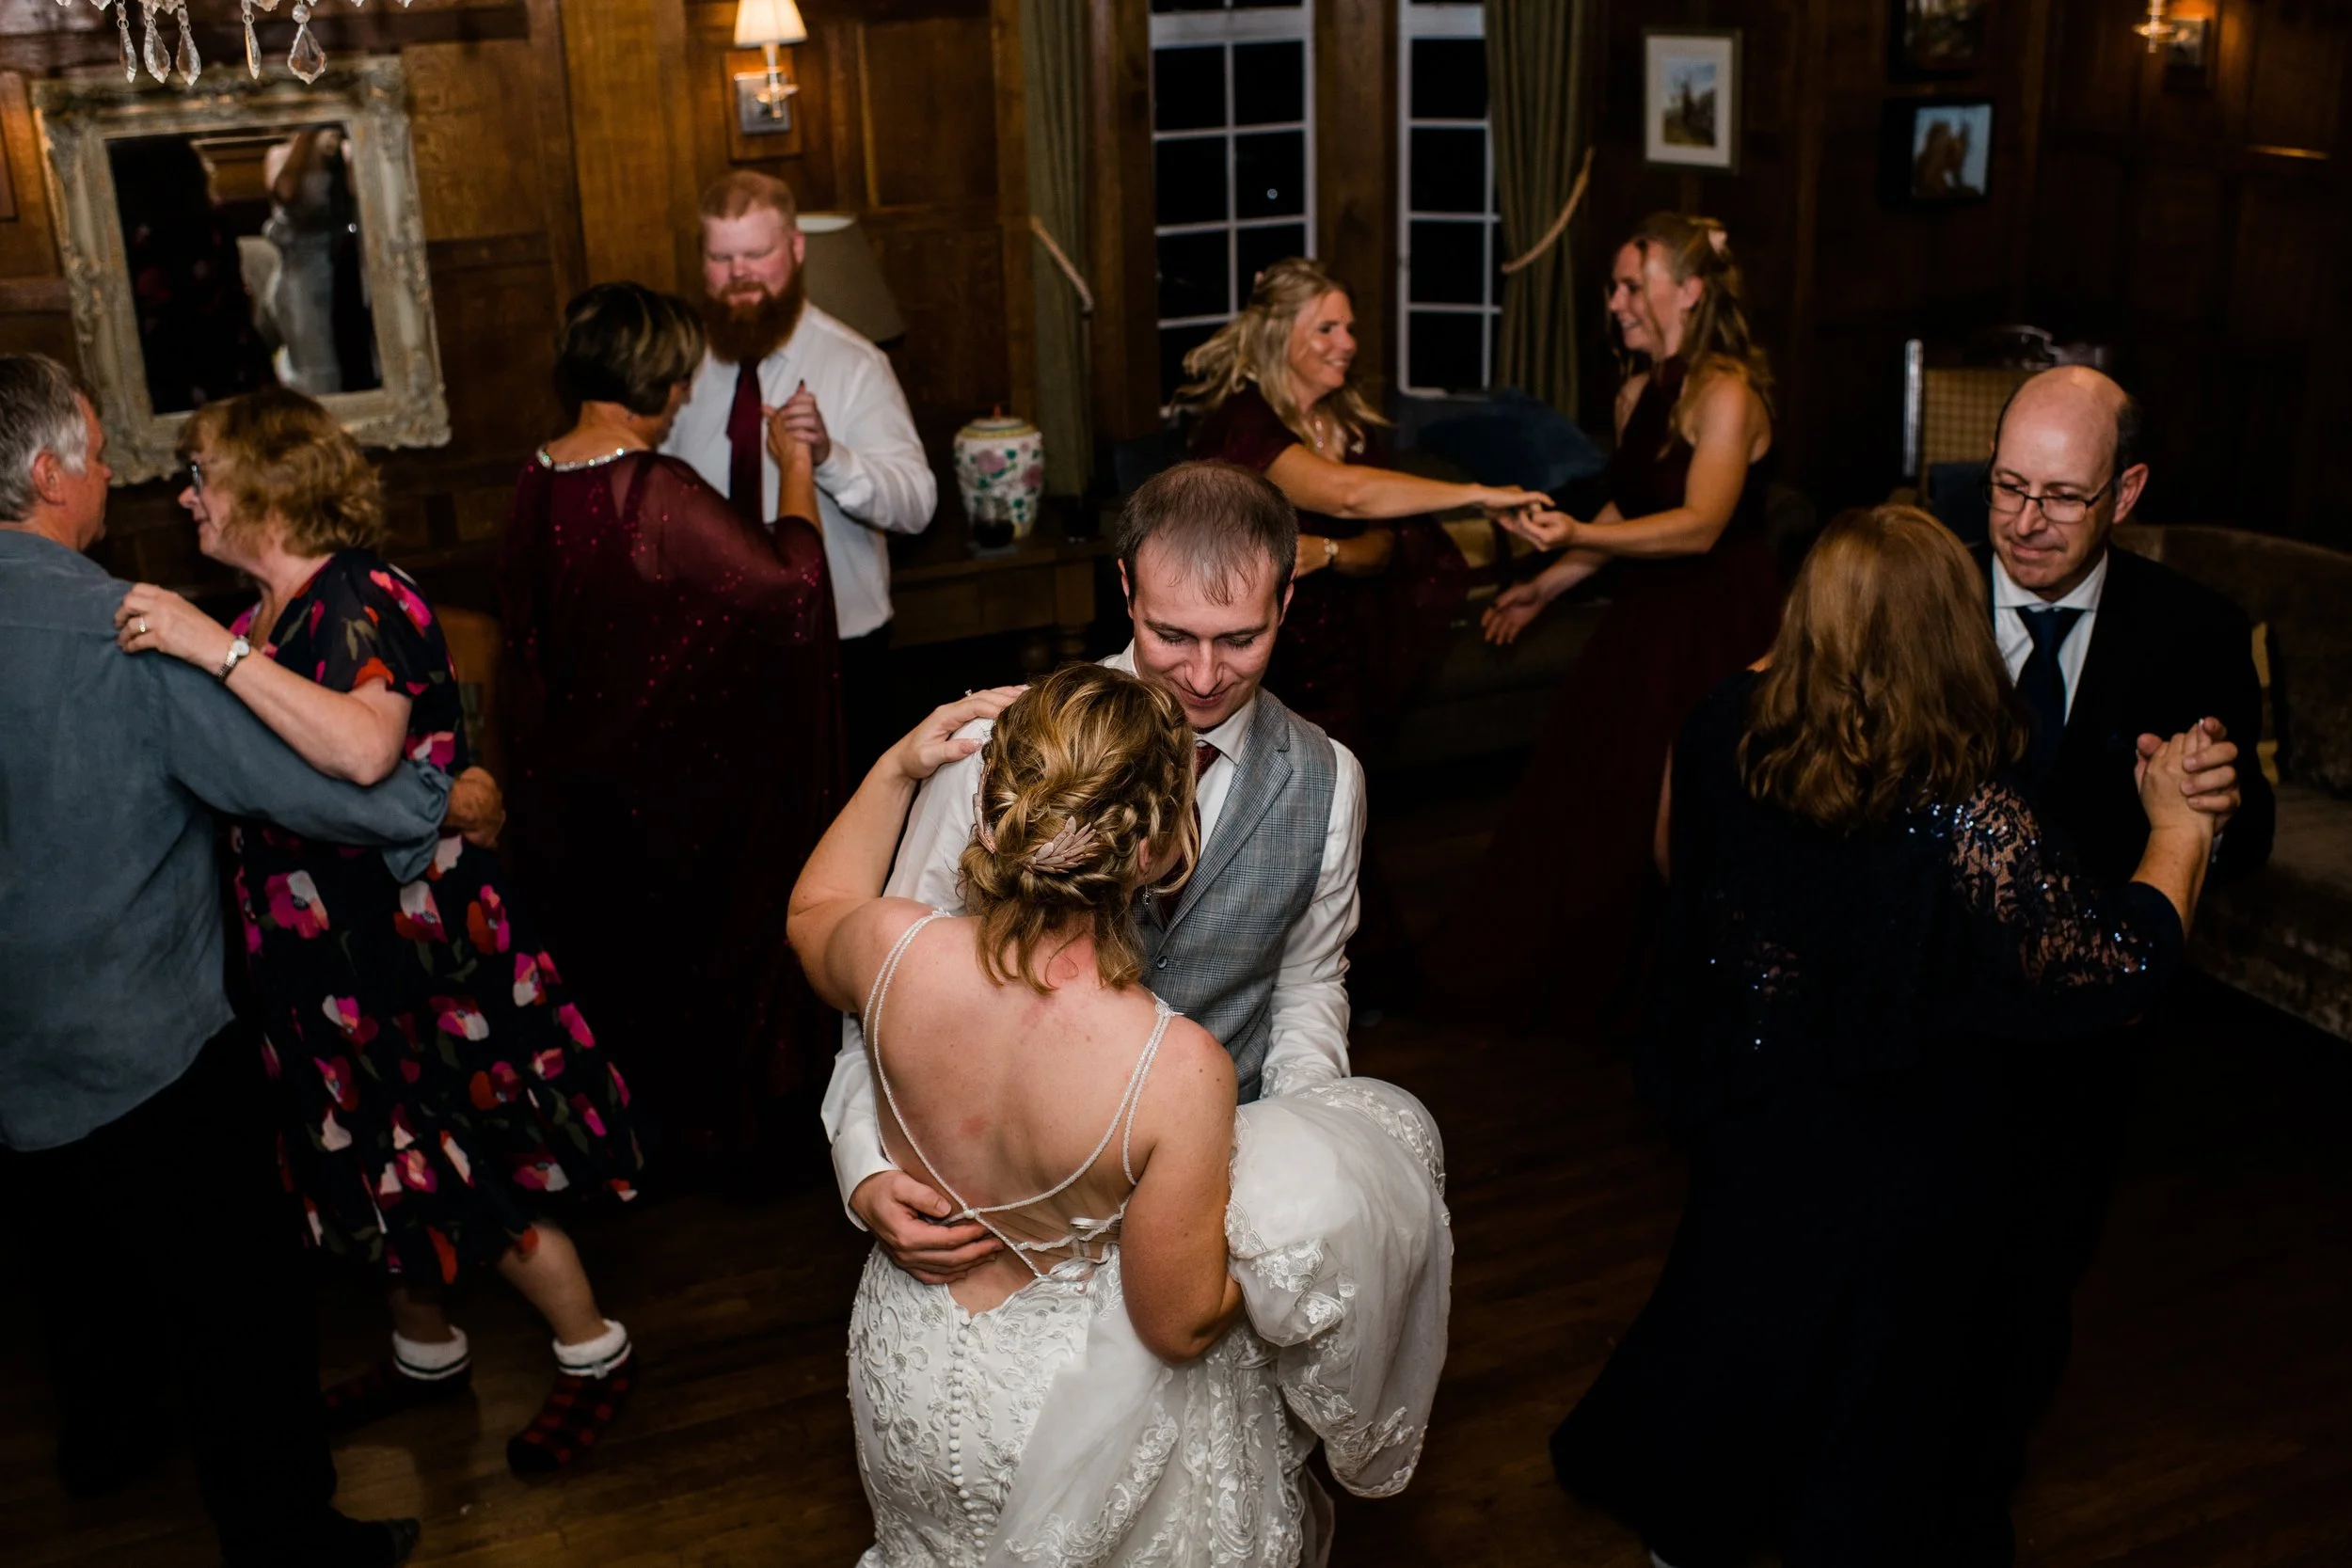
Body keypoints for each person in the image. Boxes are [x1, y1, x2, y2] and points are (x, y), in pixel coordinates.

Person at [1549, 506, 2225, 1567]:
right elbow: (2118, 970)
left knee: (1742, 1318)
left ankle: (1696, 1525)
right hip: (1902, 1145)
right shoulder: (1968, 811)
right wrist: (2178, 833)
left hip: (1752, 1104)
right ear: (1949, 633)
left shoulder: (1722, 722)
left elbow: (1679, 865)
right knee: (1878, 1381)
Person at [789, 667, 1451, 1562]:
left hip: (908, 1359)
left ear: (993, 815)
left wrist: (899, 765)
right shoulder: (1177, 1070)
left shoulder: (890, 947)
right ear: (1162, 848)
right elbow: (1174, 1321)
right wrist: (1272, 1243)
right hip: (1067, 1413)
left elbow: (812, 907)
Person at [112, 386, 644, 1477]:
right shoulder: (265, 616)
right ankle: (426, 1349)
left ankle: (594, 1351)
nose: (186, 496)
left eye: (202, 474)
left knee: (456, 1153)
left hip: (408, 945)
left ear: (266, 486)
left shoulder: (357, 597)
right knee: (370, 1157)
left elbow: (362, 754)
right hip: (322, 953)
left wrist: (211, 650)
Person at [0, 353, 453, 1565]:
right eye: (98, 455)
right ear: (50, 475)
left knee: (71, 1268)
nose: (121, 480)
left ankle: (104, 1443)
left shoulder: (304, 603)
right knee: (238, 1300)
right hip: (142, 1037)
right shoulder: (117, 629)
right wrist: (436, 805)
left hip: (17, 1049)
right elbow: (310, 780)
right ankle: (287, 1538)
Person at [819, 460, 1364, 1278]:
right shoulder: (1006, 747)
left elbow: (1308, 985)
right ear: (1126, 590)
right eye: (1172, 635)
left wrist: (1292, 1164)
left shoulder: (1330, 778)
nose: (1205, 676)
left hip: (1214, 1204)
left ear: (1286, 602)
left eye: (1241, 638)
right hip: (1008, 1212)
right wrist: (865, 1162)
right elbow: (889, 977)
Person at [1955, 364, 2273, 1557]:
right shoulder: (1923, 585)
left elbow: (2243, 843)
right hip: (1921, 1013)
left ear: (2126, 492)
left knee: (2032, 1275)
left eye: (2063, 497)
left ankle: (1978, 1477)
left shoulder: (2191, 629)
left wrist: (2210, 806)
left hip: (2084, 1042)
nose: (2025, 522)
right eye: (2005, 488)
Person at [501, 281, 844, 1181]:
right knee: (700, 963)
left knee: (619, 970)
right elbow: (789, 589)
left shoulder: (537, 476)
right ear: (644, 384)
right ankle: (714, 1141)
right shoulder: (652, 490)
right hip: (669, 795)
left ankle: (628, 1133)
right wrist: (794, 468)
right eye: (679, 379)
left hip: (577, 788)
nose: (688, 395)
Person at [1435, 212, 1784, 1032]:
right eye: (1614, 286)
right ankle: (1623, 985)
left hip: (1719, 618)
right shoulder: (1636, 391)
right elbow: (1637, 501)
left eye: (1634, 283)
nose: (1617, 301)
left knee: (1689, 806)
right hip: (1649, 613)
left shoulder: (1729, 393)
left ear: (1689, 291)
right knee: (1605, 797)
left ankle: (1710, 994)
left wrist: (1579, 532)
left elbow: (1699, 523)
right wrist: (1547, 586)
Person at [1181, 257, 1535, 752]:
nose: (1347, 344)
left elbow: (1382, 544)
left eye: (1348, 328)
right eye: (1326, 328)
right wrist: (1478, 494)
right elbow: (1348, 496)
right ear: (1279, 335)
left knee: (1343, 802)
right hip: (1266, 658)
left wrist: (1329, 552)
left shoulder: (1349, 424)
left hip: (1345, 654)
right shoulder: (1246, 420)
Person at [662, 170, 934, 768]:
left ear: (795, 248)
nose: (740, 275)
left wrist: (830, 458)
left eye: (757, 254)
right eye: (721, 257)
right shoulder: (678, 369)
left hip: (836, 652)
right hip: (710, 649)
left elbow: (917, 503)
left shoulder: (855, 366)